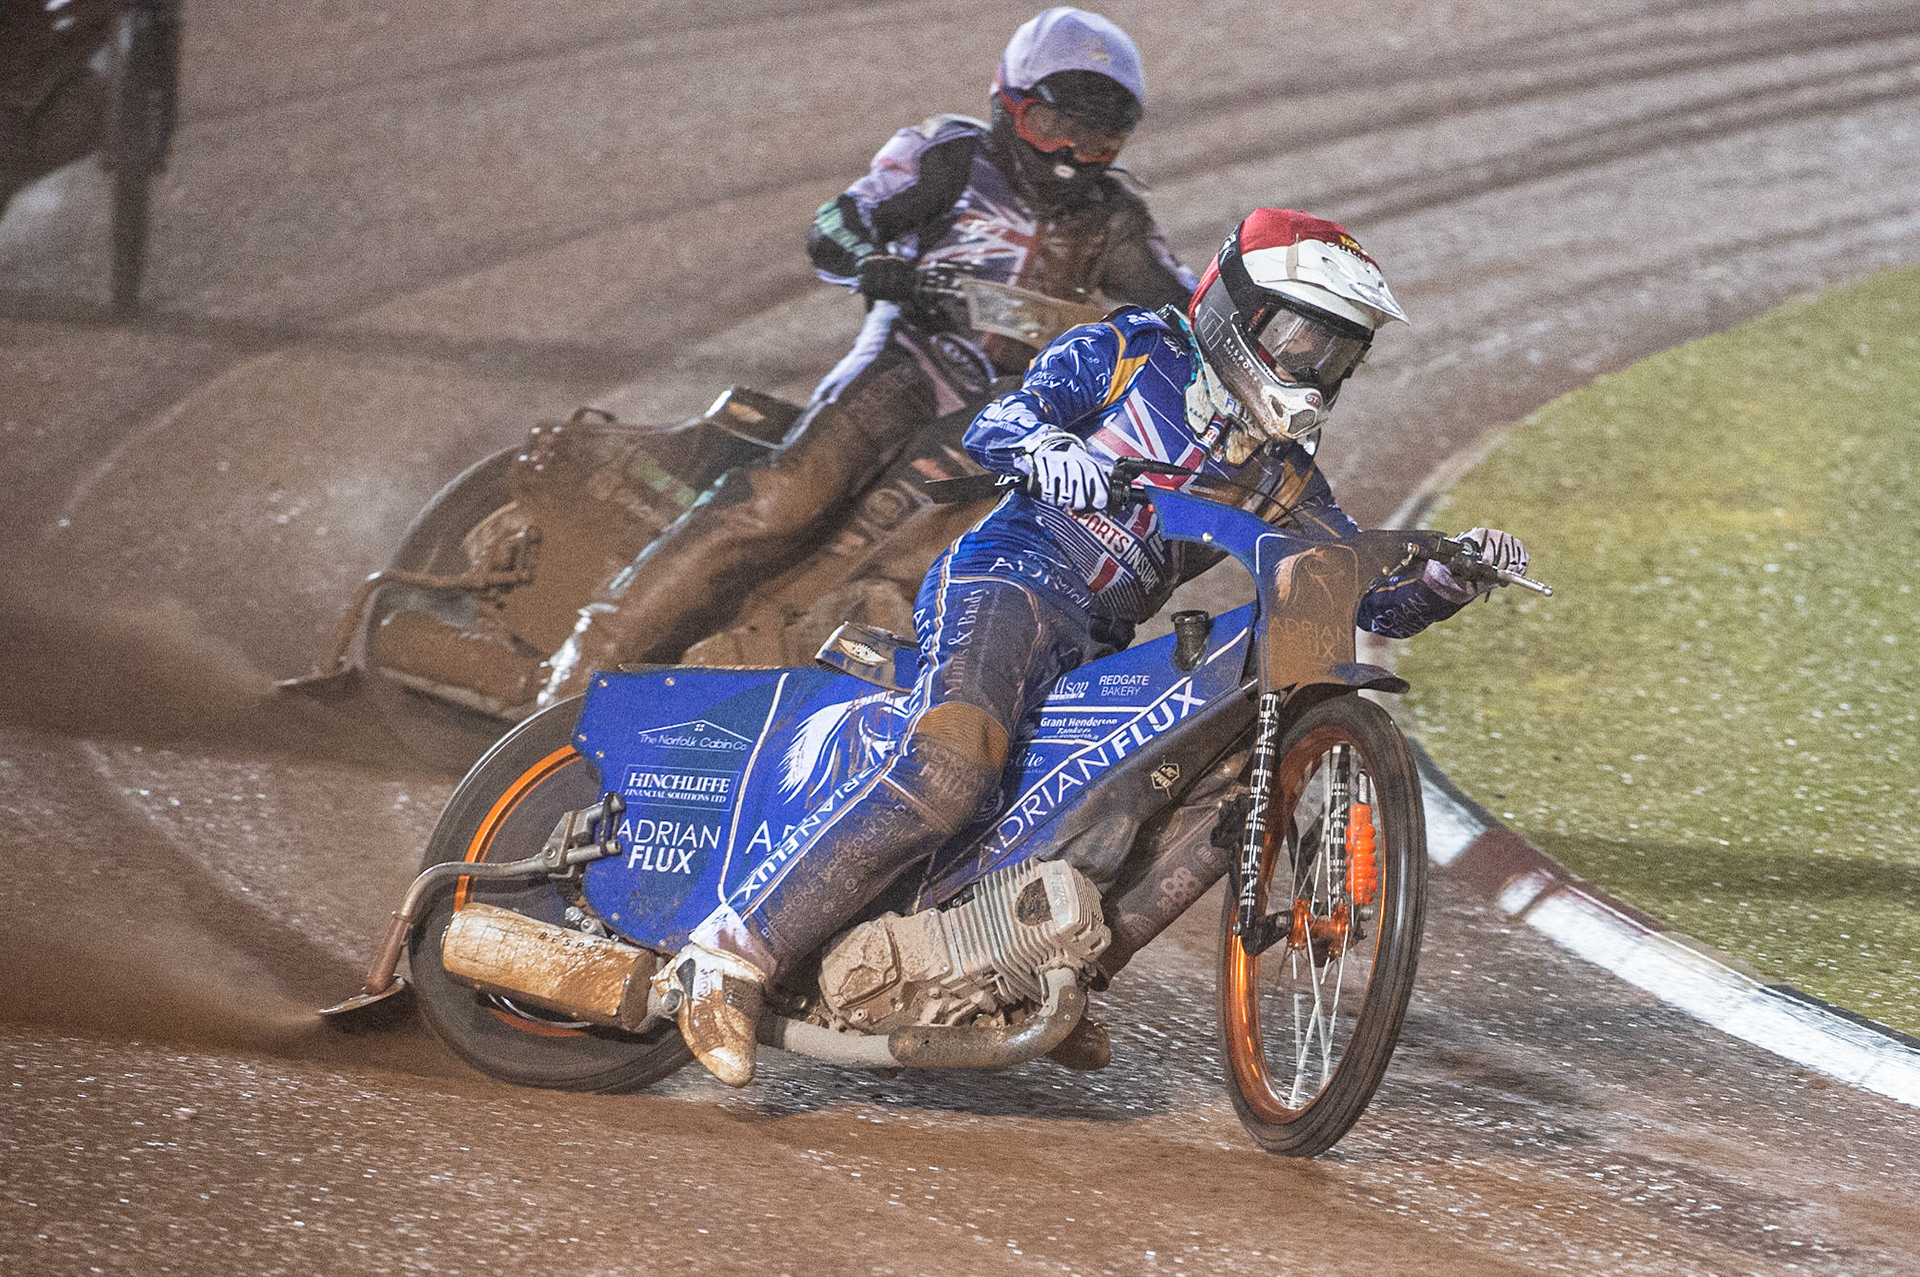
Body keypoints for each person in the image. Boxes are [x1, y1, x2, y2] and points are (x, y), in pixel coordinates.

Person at [654, 207, 1530, 1087]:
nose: (1313, 367)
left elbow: (1357, 590)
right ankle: (731, 951)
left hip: (1096, 640)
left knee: (1205, 797)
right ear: (1237, 311)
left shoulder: (1283, 471)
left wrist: (1451, 577)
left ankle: (1041, 977)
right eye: (1301, 337)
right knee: (957, 763)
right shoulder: (1134, 350)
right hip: (1007, 580)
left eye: (1336, 351)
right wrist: (1045, 446)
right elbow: (1002, 420)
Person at [537, 7, 1195, 706]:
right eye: (1050, 124)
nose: (1068, 154)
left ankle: (781, 683)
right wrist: (875, 263)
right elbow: (835, 223)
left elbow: (1184, 302)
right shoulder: (949, 157)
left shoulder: (1116, 217)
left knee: (933, 560)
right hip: (907, 358)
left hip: (995, 413)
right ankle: (579, 667)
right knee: (783, 499)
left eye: (1096, 139)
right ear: (1007, 105)